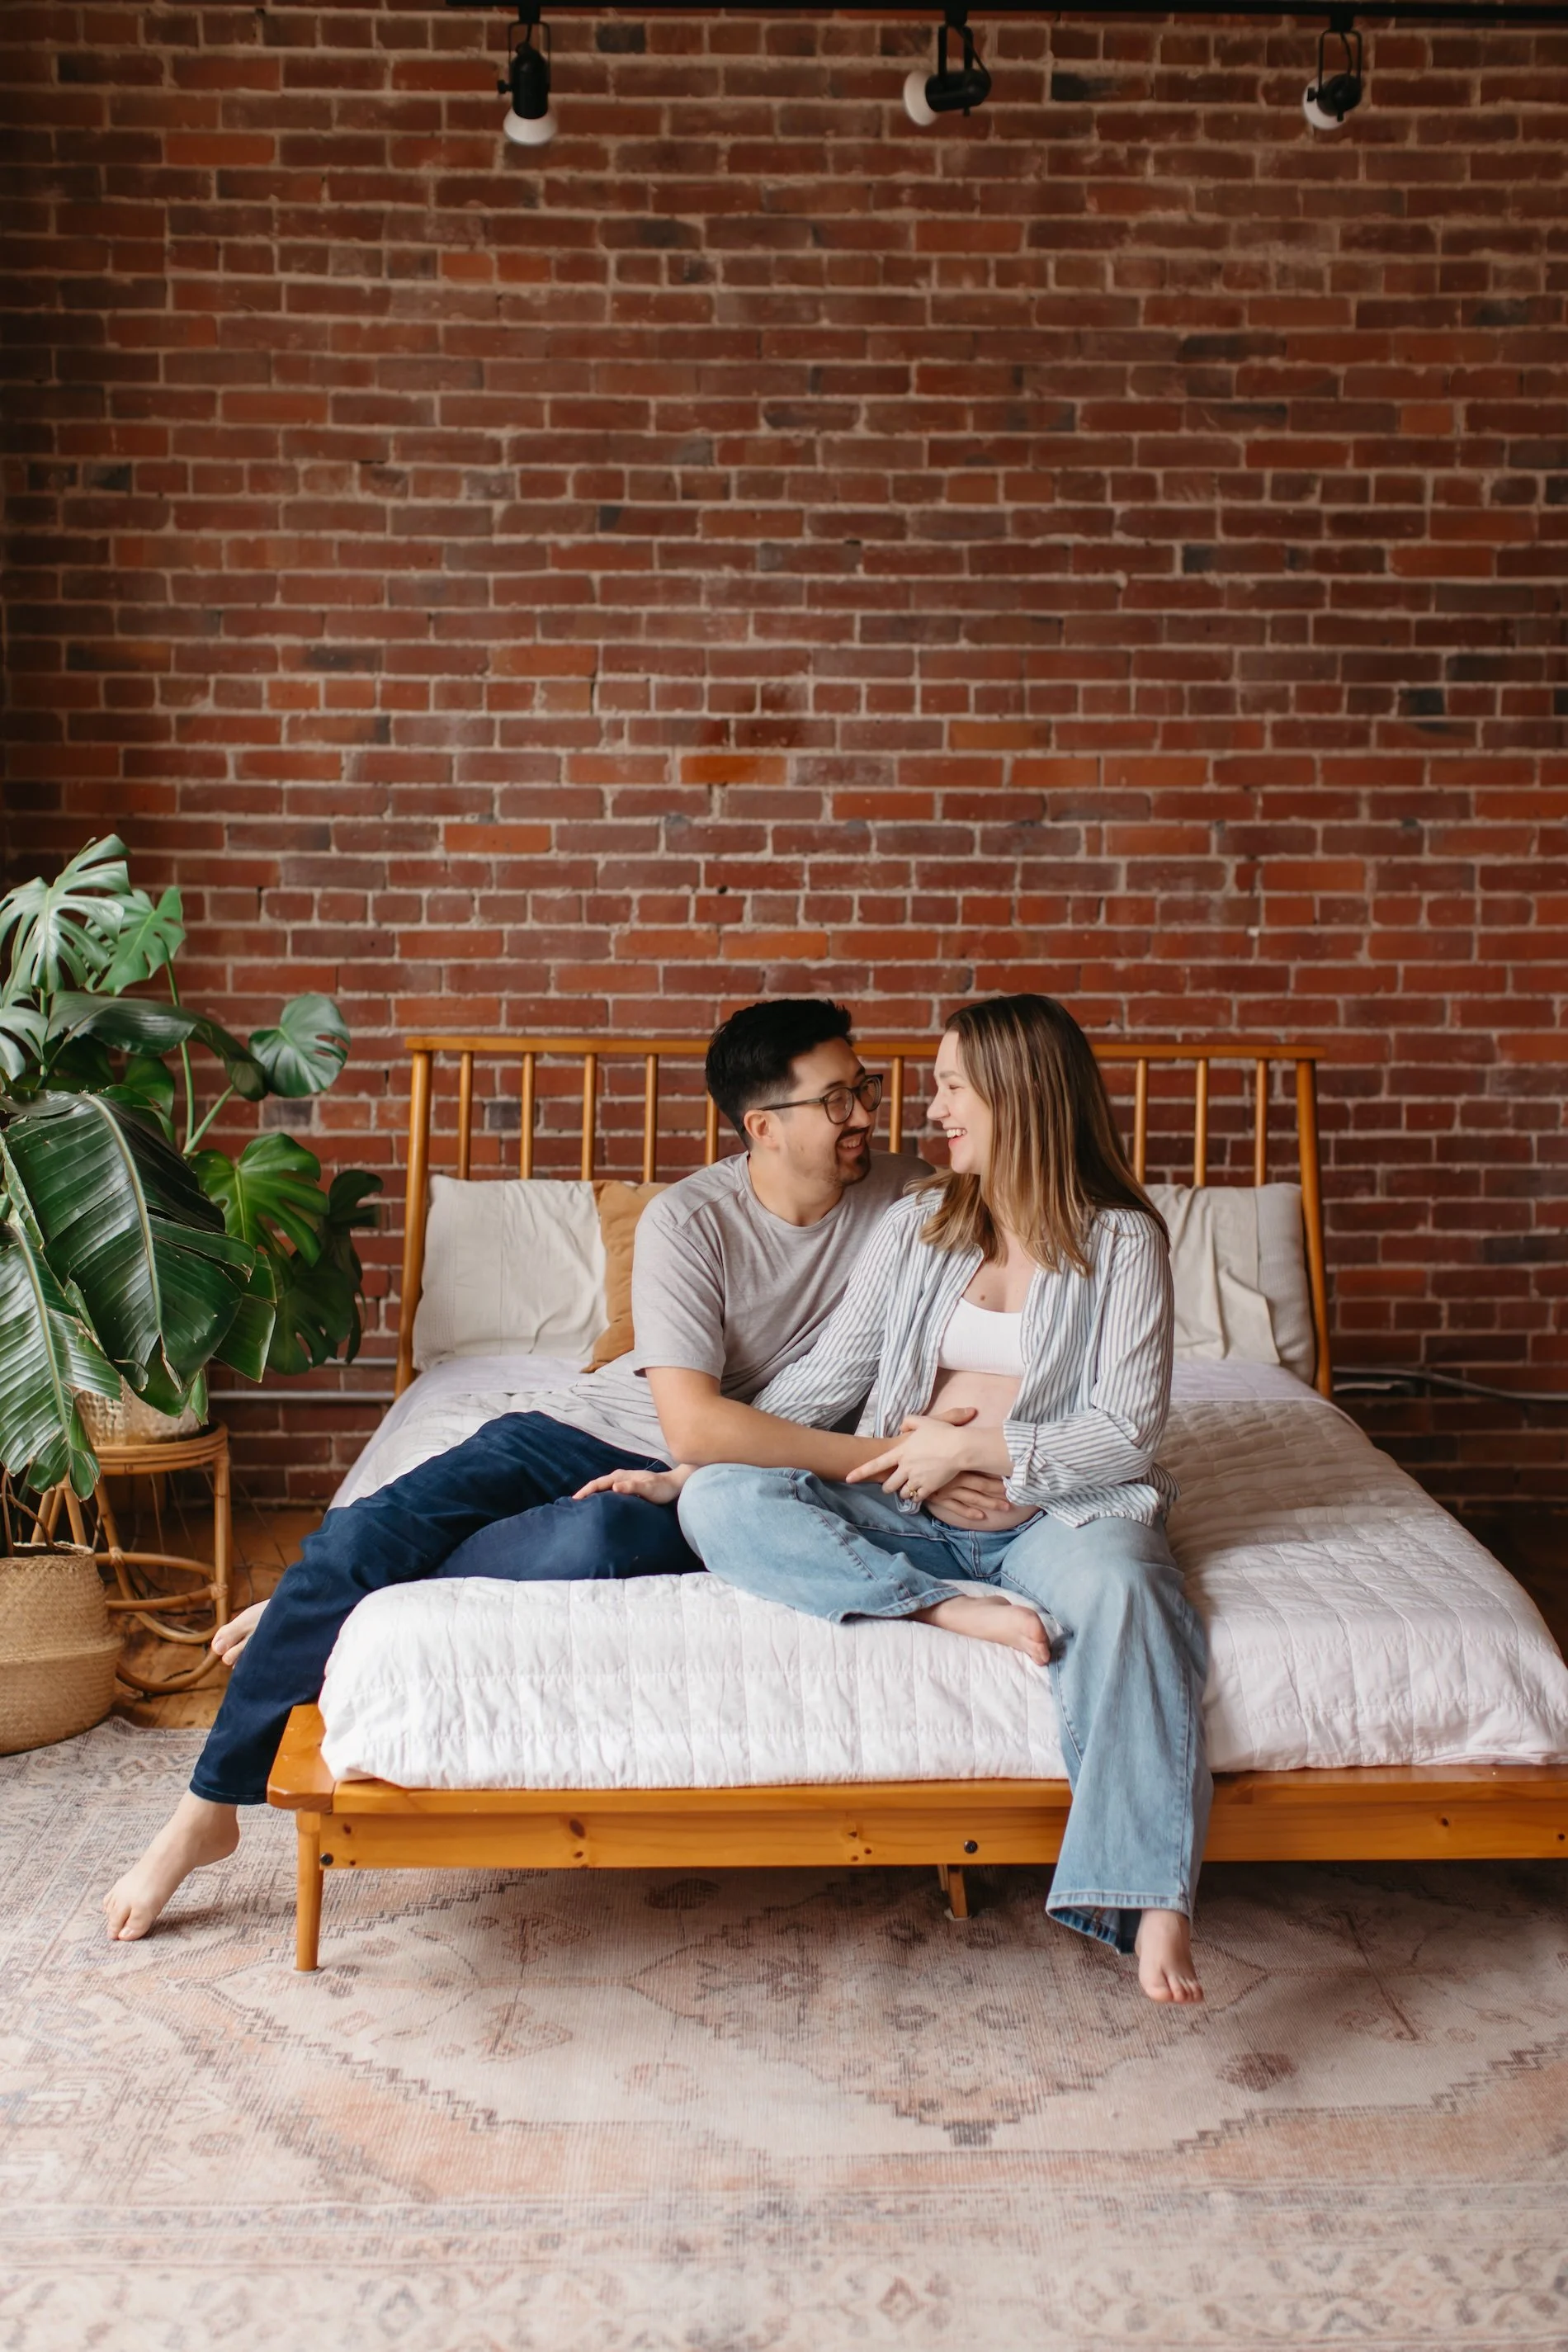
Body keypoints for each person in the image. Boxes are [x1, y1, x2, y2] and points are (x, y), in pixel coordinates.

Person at [105, 997, 982, 1943]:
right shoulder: (690, 1220)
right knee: (371, 1529)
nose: (866, 1114)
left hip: (705, 1484)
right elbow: (687, 1425)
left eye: (867, 1089)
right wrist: (881, 1459)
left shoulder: (911, 1197)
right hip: (582, 1428)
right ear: (762, 1126)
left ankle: (318, 1601)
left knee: (596, 1541)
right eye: (840, 1098)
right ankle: (209, 1806)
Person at [598, 994, 1210, 2005]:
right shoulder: (917, 1223)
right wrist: (692, 1473)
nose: (928, 1114)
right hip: (906, 1513)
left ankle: (1151, 1899)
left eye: (949, 1088)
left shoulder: (1123, 1242)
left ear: (1018, 1097)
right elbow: (826, 1380)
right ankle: (936, 1606)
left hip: (1054, 1519)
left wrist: (972, 1448)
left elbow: (1125, 1432)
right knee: (724, 1511)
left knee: (1135, 1592)